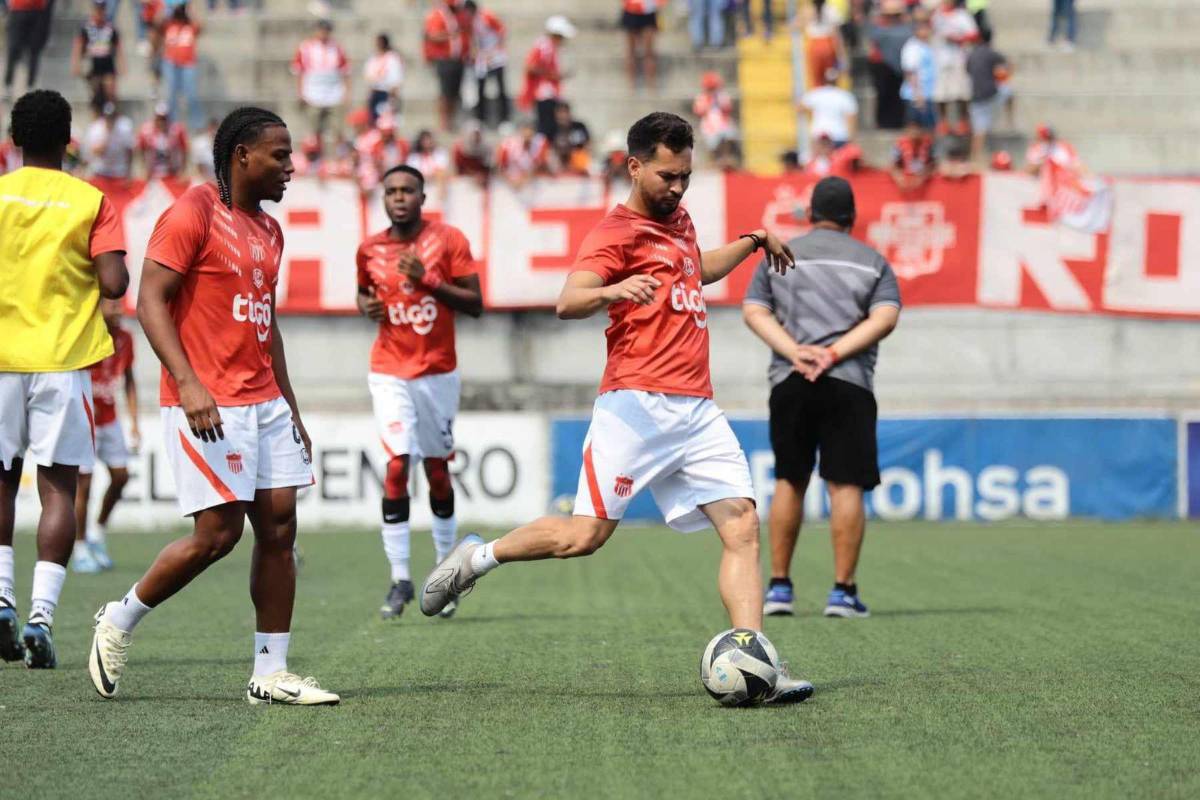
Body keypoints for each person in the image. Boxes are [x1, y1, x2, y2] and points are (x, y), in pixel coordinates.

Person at [418, 112, 813, 705]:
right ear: (634, 166)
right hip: (636, 403)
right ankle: (476, 559)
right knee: (584, 536)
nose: (677, 188)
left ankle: (756, 660)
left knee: (741, 525)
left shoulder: (677, 218)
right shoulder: (617, 231)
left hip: (696, 409)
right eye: (666, 176)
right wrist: (612, 290)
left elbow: (695, 269)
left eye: (684, 175)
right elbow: (567, 300)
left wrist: (754, 241)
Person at [88, 107, 339, 706]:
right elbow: (149, 300)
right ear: (241, 156)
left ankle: (270, 672)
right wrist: (188, 382)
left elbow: (266, 325)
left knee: (279, 528)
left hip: (265, 400)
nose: (290, 166)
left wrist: (292, 407)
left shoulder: (270, 232)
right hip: (208, 400)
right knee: (217, 535)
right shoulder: (193, 210)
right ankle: (118, 619)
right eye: (279, 155)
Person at [0, 89, 129, 668]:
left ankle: (0, 599)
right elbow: (114, 283)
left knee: (3, 481)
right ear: (68, 139)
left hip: (2, 359)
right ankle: (39, 617)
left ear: (15, 139)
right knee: (58, 486)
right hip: (62, 360)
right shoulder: (91, 200)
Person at [742, 176, 900, 619]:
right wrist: (832, 353)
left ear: (810, 214)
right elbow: (885, 318)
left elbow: (754, 310)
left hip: (790, 378)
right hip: (848, 380)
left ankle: (779, 589)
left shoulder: (779, 253)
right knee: (845, 484)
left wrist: (796, 352)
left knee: (790, 480)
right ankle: (842, 592)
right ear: (852, 217)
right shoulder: (872, 262)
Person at [355, 165, 483, 620]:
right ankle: (400, 579)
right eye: (391, 190)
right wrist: (366, 305)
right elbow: (363, 293)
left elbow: (476, 304)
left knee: (437, 473)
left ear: (423, 195)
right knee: (395, 465)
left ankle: (445, 575)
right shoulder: (369, 248)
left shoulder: (448, 240)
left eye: (408, 190)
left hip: (437, 374)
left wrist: (427, 279)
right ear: (383, 198)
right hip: (389, 371)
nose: (399, 197)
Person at [72, 298, 139, 574]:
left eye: (120, 305)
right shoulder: (88, 333)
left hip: (110, 419)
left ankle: (97, 532)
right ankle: (80, 548)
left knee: (121, 476)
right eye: (111, 304)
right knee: (83, 485)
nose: (118, 310)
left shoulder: (125, 337)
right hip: (85, 419)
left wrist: (134, 422)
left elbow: (129, 379)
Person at [291, 19, 350, 142]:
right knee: (313, 131)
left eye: (326, 30)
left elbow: (345, 71)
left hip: (334, 94)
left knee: (337, 130)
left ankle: (337, 158)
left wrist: (346, 93)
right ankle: (316, 157)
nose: (324, 33)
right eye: (321, 30)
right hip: (313, 93)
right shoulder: (305, 47)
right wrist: (300, 93)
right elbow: (298, 71)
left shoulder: (337, 48)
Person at [520, 15, 575, 140]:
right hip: (543, 94)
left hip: (548, 95)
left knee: (550, 129)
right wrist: (554, 75)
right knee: (545, 130)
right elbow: (530, 67)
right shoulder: (544, 47)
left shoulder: (549, 47)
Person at [930, 0, 977, 135]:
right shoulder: (936, 15)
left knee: (961, 93)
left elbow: (973, 34)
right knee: (940, 94)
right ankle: (943, 122)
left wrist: (957, 39)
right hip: (940, 60)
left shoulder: (962, 15)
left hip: (958, 59)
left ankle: (963, 121)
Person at [864, 0, 912, 129]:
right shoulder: (878, 29)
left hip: (900, 67)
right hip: (883, 68)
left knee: (899, 96)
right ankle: (883, 122)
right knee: (883, 96)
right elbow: (872, 48)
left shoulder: (906, 30)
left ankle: (898, 121)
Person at [966, 28, 1011, 161]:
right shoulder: (991, 53)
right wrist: (1002, 77)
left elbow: (967, 70)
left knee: (979, 131)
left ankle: (975, 158)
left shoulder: (972, 54)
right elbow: (1008, 65)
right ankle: (1010, 121)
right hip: (990, 95)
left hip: (975, 96)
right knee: (1009, 92)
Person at [462, 1, 508, 127]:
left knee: (500, 88)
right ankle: (480, 119)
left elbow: (502, 30)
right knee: (480, 88)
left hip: (496, 56)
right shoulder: (470, 21)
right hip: (482, 57)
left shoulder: (486, 16)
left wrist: (495, 50)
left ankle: (504, 119)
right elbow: (474, 40)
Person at [424, 0, 468, 131]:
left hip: (458, 60)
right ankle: (444, 123)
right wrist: (450, 35)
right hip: (445, 60)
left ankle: (452, 121)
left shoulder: (458, 16)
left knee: (454, 93)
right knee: (445, 94)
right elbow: (432, 35)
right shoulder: (438, 15)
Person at [160, 0, 203, 132]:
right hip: (171, 63)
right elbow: (156, 23)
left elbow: (201, 26)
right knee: (171, 95)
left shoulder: (190, 25)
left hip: (188, 63)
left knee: (192, 95)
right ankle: (172, 126)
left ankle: (197, 126)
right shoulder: (168, 24)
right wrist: (168, 10)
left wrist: (189, 11)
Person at [72, 0, 124, 107]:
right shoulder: (86, 28)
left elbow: (118, 46)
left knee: (110, 90)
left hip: (107, 63)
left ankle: (112, 114)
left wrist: (122, 64)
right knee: (96, 93)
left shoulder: (111, 28)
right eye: (97, 9)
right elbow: (78, 46)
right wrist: (76, 65)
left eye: (102, 9)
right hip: (93, 64)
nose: (100, 12)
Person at [3, 0, 50, 102]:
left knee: (34, 49)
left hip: (37, 12)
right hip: (17, 10)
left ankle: (31, 86)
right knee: (13, 49)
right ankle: (8, 85)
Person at [799, 67, 858, 149]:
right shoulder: (845, 96)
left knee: (822, 161)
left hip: (820, 134)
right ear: (837, 80)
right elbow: (851, 119)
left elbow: (800, 108)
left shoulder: (816, 94)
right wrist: (851, 139)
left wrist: (812, 114)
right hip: (839, 135)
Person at [899, 10, 936, 130]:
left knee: (928, 128)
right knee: (915, 127)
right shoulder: (912, 47)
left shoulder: (926, 46)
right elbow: (911, 72)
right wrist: (918, 95)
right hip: (915, 95)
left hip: (928, 93)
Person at [84, 100, 136, 180]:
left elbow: (129, 151)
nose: (110, 120)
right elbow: (94, 152)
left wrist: (129, 173)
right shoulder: (96, 129)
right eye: (108, 117)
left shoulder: (125, 127)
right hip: (101, 172)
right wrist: (107, 136)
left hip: (119, 173)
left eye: (112, 117)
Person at [136, 102, 189, 178]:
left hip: (172, 173)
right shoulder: (146, 130)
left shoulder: (177, 130)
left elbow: (185, 149)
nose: (162, 121)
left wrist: (183, 169)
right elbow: (140, 149)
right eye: (159, 118)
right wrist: (143, 167)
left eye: (164, 119)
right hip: (152, 174)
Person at [494, 117, 550, 189]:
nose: (527, 134)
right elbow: (499, 167)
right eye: (525, 130)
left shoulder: (540, 143)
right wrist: (510, 182)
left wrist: (523, 180)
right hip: (512, 183)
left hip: (532, 184)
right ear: (521, 131)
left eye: (530, 130)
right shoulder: (509, 145)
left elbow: (541, 165)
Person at [363, 32, 404, 124]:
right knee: (373, 120)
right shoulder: (373, 59)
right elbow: (369, 77)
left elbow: (396, 78)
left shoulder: (392, 58)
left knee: (386, 121)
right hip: (375, 92)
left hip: (386, 92)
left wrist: (393, 95)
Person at [620, 0, 658, 91]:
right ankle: (631, 86)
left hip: (648, 10)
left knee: (649, 52)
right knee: (631, 52)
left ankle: (651, 86)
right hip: (631, 9)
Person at [890, 119, 935, 190]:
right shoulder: (899, 145)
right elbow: (893, 165)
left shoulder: (928, 144)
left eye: (917, 129)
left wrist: (922, 176)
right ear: (907, 131)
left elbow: (933, 165)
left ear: (921, 130)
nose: (914, 132)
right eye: (912, 130)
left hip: (923, 180)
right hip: (905, 180)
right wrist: (899, 178)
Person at [550, 101, 591, 175]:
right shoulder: (552, 129)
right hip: (559, 157)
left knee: (581, 156)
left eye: (564, 112)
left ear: (569, 113)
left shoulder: (579, 126)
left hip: (576, 156)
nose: (563, 115)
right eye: (560, 113)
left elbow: (588, 143)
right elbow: (550, 146)